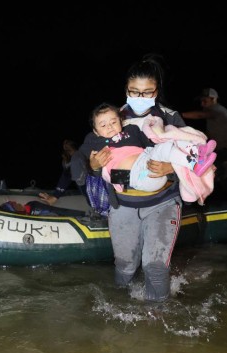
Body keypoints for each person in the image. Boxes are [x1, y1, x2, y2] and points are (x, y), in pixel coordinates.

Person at [80, 53, 186, 302]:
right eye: (134, 91)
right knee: (124, 268)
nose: (140, 97)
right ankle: (119, 313)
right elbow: (95, 166)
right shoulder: (113, 118)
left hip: (163, 203)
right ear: (126, 90)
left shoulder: (171, 117)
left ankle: (156, 323)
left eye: (147, 92)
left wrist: (170, 168)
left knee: (155, 267)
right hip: (123, 206)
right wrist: (94, 165)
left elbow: (195, 157)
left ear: (156, 90)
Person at [91, 104, 217, 205]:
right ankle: (194, 163)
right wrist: (93, 165)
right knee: (162, 151)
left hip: (148, 160)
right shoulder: (96, 142)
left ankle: (197, 158)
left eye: (113, 122)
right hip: (140, 176)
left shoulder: (131, 130)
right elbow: (97, 171)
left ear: (121, 121)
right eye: (103, 125)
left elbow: (153, 142)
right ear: (95, 131)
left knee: (167, 146)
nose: (109, 127)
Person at [181, 88, 227, 197]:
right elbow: (206, 138)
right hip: (222, 153)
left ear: (214, 99)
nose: (202, 104)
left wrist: (178, 115)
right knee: (213, 180)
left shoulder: (218, 109)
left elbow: (200, 115)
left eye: (205, 100)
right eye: (201, 101)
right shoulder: (213, 121)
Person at [39, 139, 89, 206]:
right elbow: (67, 175)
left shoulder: (78, 158)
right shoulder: (71, 162)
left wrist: (55, 197)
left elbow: (67, 176)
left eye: (68, 150)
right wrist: (55, 196)